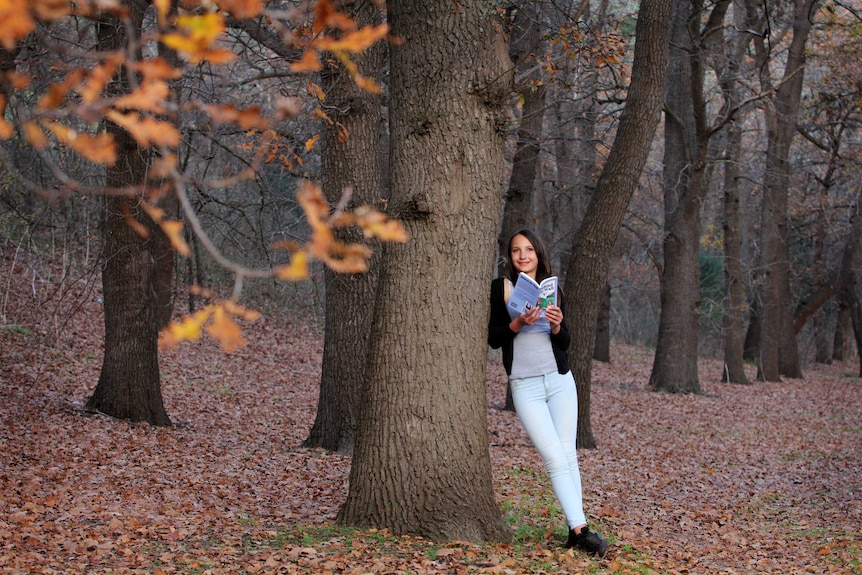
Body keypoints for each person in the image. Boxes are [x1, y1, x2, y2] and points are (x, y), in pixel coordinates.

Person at [487, 228, 608, 557]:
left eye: (528, 249)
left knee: (568, 456)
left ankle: (576, 530)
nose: (522, 255)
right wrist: (518, 323)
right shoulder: (502, 288)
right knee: (554, 456)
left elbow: (565, 342)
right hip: (525, 385)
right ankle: (581, 529)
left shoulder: (552, 289)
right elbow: (494, 337)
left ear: (538, 253)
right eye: (515, 251)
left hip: (559, 380)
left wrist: (556, 324)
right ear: (509, 257)